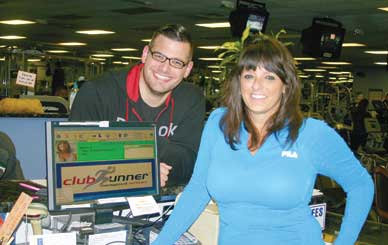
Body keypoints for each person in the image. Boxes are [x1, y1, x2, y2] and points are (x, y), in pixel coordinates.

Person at [152, 37, 374, 244]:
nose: (257, 86)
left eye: (269, 77)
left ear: (286, 85)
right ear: (239, 82)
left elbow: (361, 185)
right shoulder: (219, 123)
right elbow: (198, 190)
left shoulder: (311, 133)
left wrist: (344, 241)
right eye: (249, 76)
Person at [70, 24, 206, 188]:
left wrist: (118, 146)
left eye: (177, 62)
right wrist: (139, 172)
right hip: (100, 199)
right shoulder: (98, 93)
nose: (165, 68)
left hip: (163, 201)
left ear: (187, 69)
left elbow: (189, 164)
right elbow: (74, 158)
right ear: (145, 54)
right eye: (159, 56)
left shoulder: (191, 99)